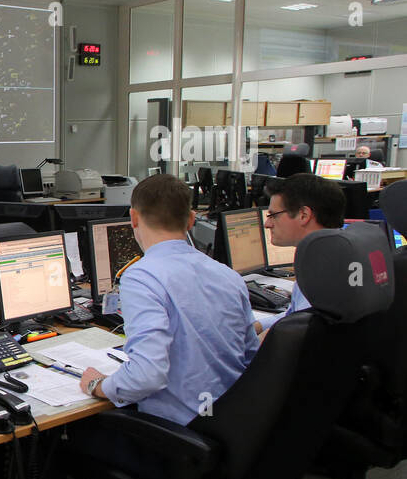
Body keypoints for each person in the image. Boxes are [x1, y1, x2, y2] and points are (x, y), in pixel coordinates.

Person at [77, 174, 258, 427]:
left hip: (180, 430)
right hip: (232, 424)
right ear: (192, 220)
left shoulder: (142, 276)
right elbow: (250, 355)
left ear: (134, 218)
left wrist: (98, 385)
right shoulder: (229, 276)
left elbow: (147, 376)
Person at [254, 173, 345, 333]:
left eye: (273, 215)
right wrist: (258, 327)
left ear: (304, 215)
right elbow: (293, 315)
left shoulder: (319, 274)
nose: (267, 224)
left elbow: (299, 333)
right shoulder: (328, 256)